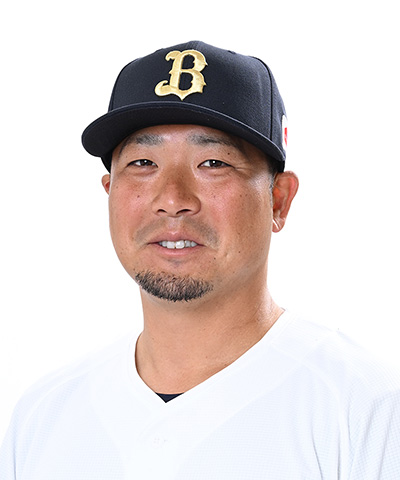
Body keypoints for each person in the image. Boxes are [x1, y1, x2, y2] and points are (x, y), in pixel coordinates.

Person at [1, 40, 399, 479]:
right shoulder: (42, 418)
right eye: (143, 162)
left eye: (212, 163)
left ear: (278, 200)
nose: (173, 199)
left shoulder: (367, 409)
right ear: (109, 192)